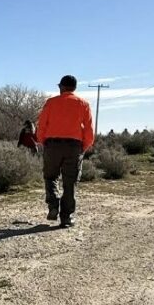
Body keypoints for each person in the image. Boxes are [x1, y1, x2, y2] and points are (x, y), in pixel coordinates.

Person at [36, 75, 94, 228]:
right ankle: (66, 218)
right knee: (70, 182)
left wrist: (43, 142)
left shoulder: (51, 103)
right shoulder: (83, 104)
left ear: (61, 87)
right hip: (73, 146)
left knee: (50, 176)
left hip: (52, 145)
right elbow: (89, 130)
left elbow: (41, 125)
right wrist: (83, 147)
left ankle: (53, 204)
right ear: (74, 88)